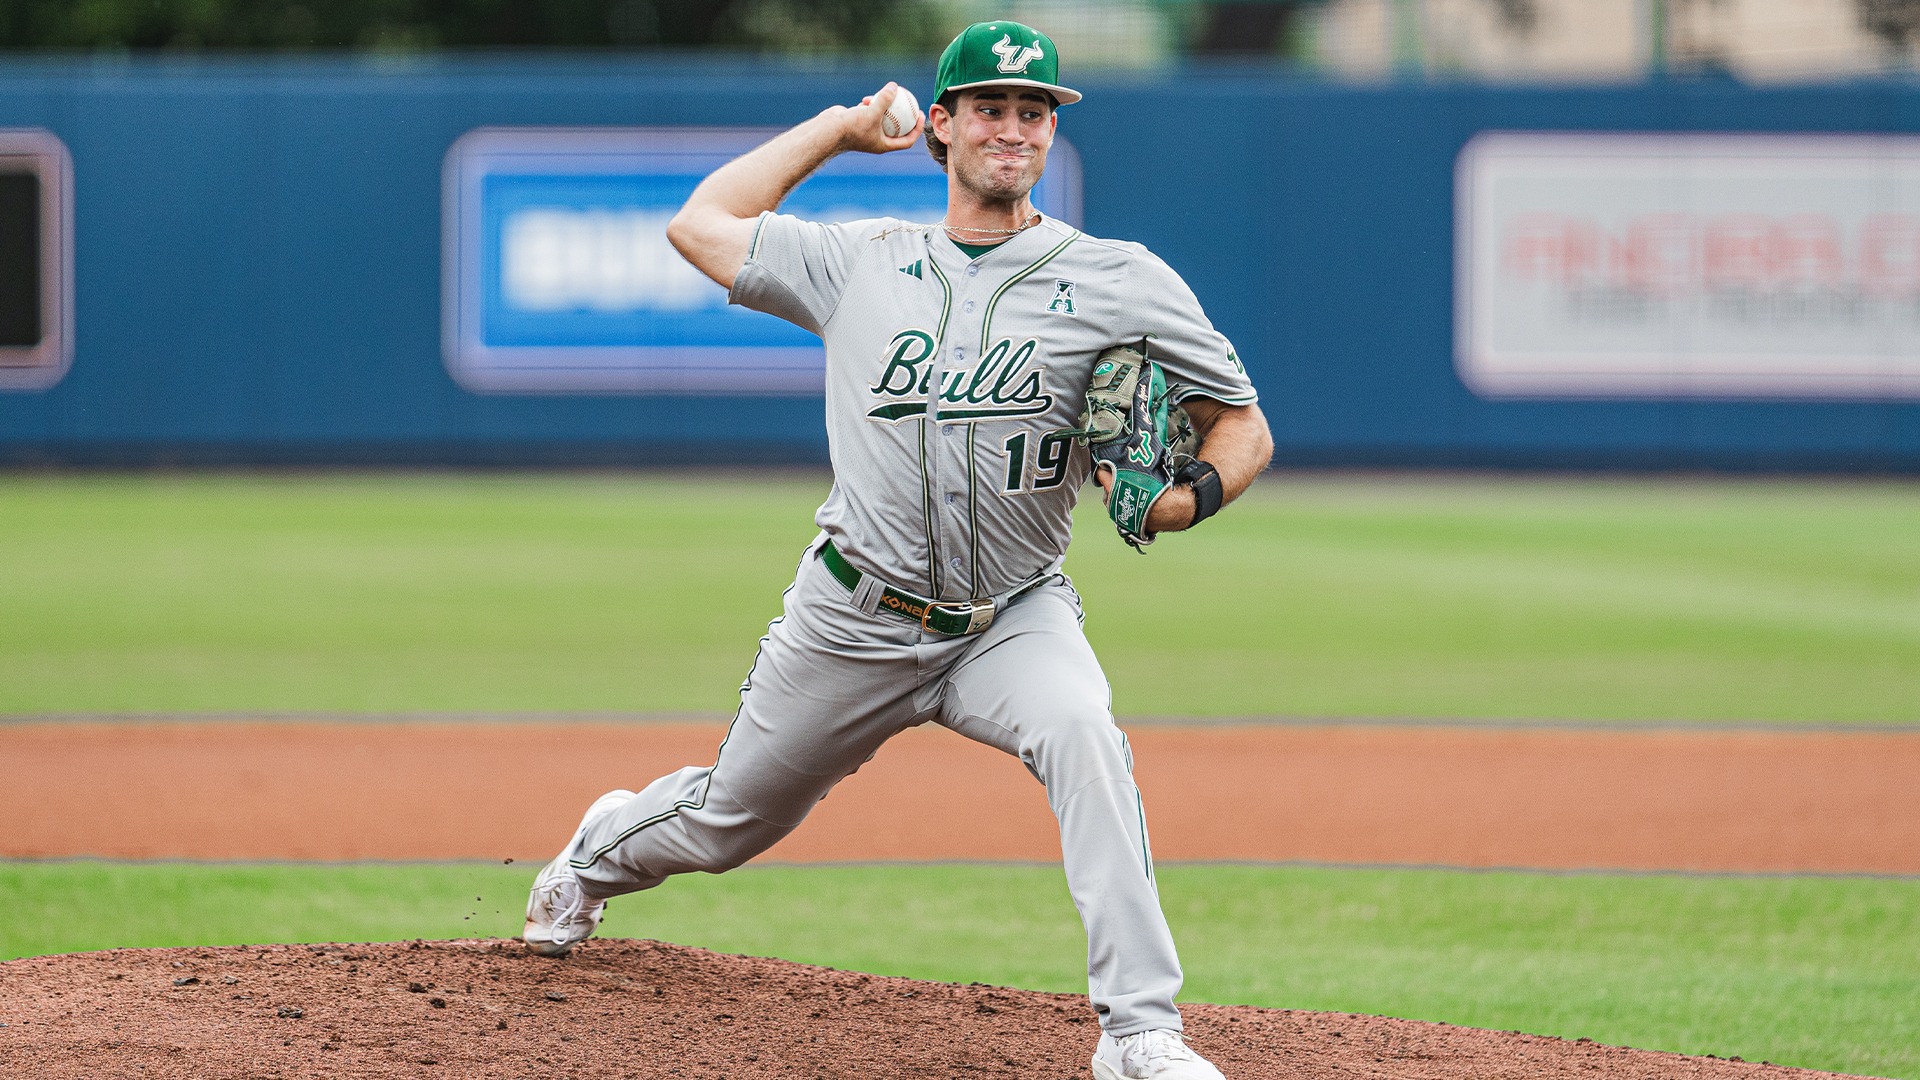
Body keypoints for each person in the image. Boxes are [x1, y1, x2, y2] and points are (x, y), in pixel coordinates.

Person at [523, 21, 1273, 1080]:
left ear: (1050, 131)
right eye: (991, 107)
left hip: (1011, 614)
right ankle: (593, 857)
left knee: (1086, 736)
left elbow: (1241, 425)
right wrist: (834, 130)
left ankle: (1139, 1030)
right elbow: (701, 224)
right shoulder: (860, 261)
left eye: (1035, 110)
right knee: (728, 822)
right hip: (851, 616)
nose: (1014, 128)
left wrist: (1182, 502)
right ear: (943, 126)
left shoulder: (1121, 279)